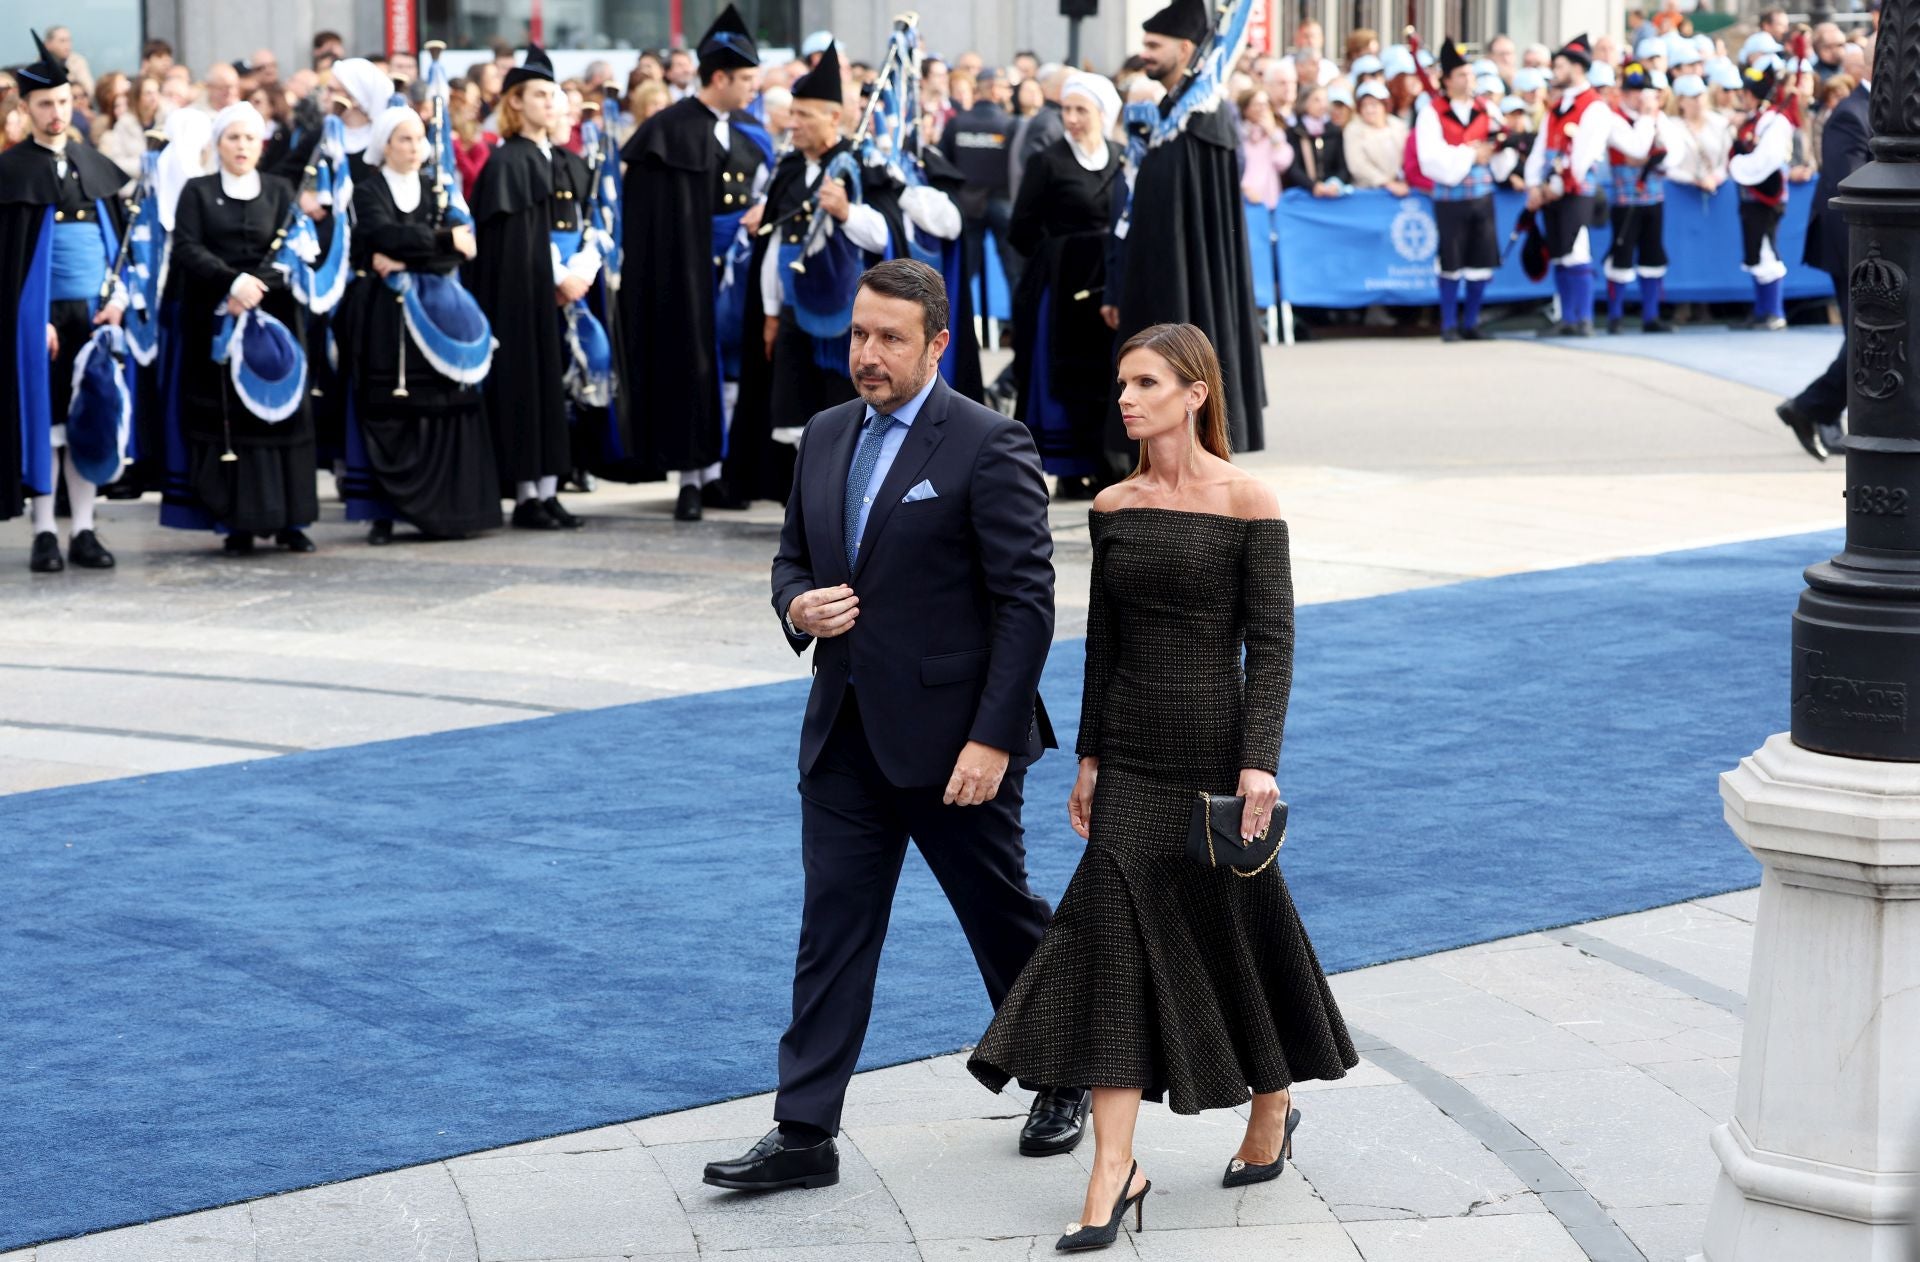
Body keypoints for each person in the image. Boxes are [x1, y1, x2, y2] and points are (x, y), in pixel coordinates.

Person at [969, 322, 1357, 1252]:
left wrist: (1258, 759)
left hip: (1216, 759)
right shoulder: (1112, 505)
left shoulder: (1249, 501)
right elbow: (1103, 644)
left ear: (1195, 393)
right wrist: (1091, 755)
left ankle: (1272, 1105)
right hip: (1132, 762)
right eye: (1121, 384)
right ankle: (1116, 1169)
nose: (1127, 399)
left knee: (1235, 931)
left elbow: (1273, 641)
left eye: (1146, 383)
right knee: (1109, 944)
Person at [704, 259, 1083, 1193]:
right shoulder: (827, 434)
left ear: (938, 344)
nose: (866, 355)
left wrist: (992, 741)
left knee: (1000, 918)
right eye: (858, 335)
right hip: (842, 738)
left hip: (958, 746)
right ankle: (803, 1136)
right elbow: (792, 560)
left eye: (889, 339)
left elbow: (1026, 605)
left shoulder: (991, 443)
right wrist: (799, 608)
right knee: (830, 931)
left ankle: (1066, 1070)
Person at [620, 4, 771, 521]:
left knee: (733, 367)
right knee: (692, 365)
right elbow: (653, 216)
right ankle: (691, 474)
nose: (754, 87)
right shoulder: (670, 128)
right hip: (688, 271)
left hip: (742, 268)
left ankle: (728, 471)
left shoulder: (751, 128)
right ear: (721, 76)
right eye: (747, 78)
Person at [727, 44, 892, 502]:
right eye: (791, 113)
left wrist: (844, 212)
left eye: (804, 115)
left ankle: (844, 495)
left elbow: (883, 236)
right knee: (794, 410)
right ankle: (800, 500)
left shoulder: (859, 163)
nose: (792, 123)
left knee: (845, 407)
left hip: (848, 316)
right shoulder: (789, 169)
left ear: (833, 118)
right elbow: (775, 247)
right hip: (795, 311)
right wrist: (771, 313)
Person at [1106, 0, 1265, 465]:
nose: (1146, 54)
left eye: (1154, 46)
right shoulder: (1165, 114)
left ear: (1185, 48)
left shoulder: (1202, 118)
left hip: (1190, 280)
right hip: (1154, 275)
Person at [163, 102, 320, 554]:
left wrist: (255, 287)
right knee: (231, 419)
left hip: (274, 319)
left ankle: (292, 520)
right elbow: (187, 247)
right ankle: (238, 521)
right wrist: (230, 282)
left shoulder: (278, 189)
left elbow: (292, 249)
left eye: (250, 138)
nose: (242, 146)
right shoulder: (198, 191)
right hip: (218, 318)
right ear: (218, 144)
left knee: (283, 414)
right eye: (233, 137)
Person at [338, 106, 498, 544]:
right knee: (390, 405)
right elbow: (380, 235)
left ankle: (448, 509)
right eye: (403, 139)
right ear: (386, 145)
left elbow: (461, 250)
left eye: (418, 139)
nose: (412, 148)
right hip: (385, 317)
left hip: (439, 309)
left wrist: (418, 252)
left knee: (445, 403)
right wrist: (440, 241)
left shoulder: (437, 187)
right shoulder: (368, 191)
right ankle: (385, 512)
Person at [0, 30, 127, 572]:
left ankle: (86, 531)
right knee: (45, 425)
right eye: (45, 103)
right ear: (25, 107)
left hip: (94, 314)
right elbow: (10, 260)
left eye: (63, 101)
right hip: (39, 318)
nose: (56, 112)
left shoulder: (92, 163)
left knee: (88, 422)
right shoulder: (10, 172)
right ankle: (45, 532)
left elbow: (116, 245)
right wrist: (32, 319)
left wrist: (118, 298)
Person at [467, 44, 578, 529]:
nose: (549, 102)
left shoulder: (558, 156)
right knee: (525, 388)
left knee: (552, 389)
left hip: (554, 292)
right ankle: (526, 493)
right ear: (515, 101)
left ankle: (549, 489)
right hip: (519, 295)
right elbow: (510, 246)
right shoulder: (507, 160)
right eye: (537, 94)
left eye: (553, 93)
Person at [1010, 71, 1122, 501]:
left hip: (1105, 286)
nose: (1071, 119)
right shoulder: (1048, 161)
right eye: (1066, 110)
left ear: (1102, 113)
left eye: (1081, 110)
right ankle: (1068, 467)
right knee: (1055, 378)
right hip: (1058, 290)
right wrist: (1059, 255)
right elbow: (1021, 228)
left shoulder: (1118, 158)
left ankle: (1105, 462)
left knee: (1105, 374)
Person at [1778, 49, 1868, 461]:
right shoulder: (1851, 114)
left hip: (1880, 251)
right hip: (1859, 247)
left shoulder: (1885, 113)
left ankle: (1816, 408)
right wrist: (1863, 260)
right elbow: (1850, 190)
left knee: (1869, 341)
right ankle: (1814, 407)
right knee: (1867, 341)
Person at [1417, 37, 1520, 342]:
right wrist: (1470, 154)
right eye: (1461, 74)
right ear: (1446, 80)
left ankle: (1471, 322)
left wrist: (1500, 151)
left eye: (1471, 74)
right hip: (1451, 198)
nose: (1468, 80)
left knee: (1480, 260)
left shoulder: (1486, 109)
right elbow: (1429, 159)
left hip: (1481, 196)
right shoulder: (1432, 112)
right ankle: (1448, 323)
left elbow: (1504, 145)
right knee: (1451, 260)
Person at [1523, 34, 1612, 337]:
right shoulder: (1556, 106)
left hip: (1575, 191)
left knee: (1576, 250)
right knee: (1560, 251)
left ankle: (1583, 317)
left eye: (1559, 65)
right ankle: (1568, 317)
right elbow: (1540, 150)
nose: (1554, 71)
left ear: (1576, 67)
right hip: (1552, 190)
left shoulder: (1595, 107)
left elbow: (1583, 156)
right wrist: (1534, 185)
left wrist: (1556, 186)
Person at [1601, 61, 1674, 335]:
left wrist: (1647, 155)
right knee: (1621, 255)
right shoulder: (1614, 118)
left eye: (1641, 90)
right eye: (1632, 91)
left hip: (1653, 197)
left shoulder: (1656, 117)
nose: (1637, 96)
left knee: (1653, 255)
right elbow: (1636, 147)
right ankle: (1615, 315)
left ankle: (1651, 316)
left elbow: (1671, 155)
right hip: (1625, 200)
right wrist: (1646, 122)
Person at [1730, 61, 1796, 332]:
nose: (1740, 98)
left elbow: (1766, 160)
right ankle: (1761, 310)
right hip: (1750, 197)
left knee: (1767, 248)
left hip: (1766, 196)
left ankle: (1774, 311)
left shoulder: (1775, 122)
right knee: (1755, 251)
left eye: (1744, 93)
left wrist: (1738, 166)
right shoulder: (1755, 120)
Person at [1283, 82, 1350, 194]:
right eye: (1316, 100)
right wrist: (1312, 186)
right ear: (1304, 103)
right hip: (1304, 193)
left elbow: (1343, 167)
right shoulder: (1295, 132)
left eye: (1324, 100)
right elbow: (1293, 168)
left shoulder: (1334, 131)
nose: (1322, 105)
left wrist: (1336, 183)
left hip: (1331, 191)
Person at [1342, 78, 1408, 191]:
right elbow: (1358, 165)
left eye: (1374, 104)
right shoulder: (1353, 130)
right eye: (1364, 105)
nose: (1369, 110)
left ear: (1384, 105)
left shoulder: (1399, 126)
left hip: (1401, 188)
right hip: (1368, 192)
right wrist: (1386, 183)